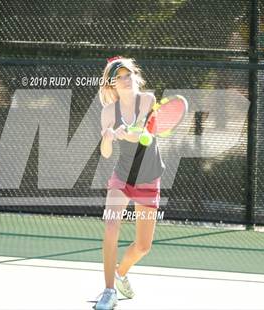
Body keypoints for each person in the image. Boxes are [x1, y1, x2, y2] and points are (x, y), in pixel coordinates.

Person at [95, 56, 165, 309]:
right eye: (119, 78)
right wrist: (109, 135)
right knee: (111, 226)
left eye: (128, 75)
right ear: (111, 85)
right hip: (122, 177)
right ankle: (108, 291)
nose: (125, 81)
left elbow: (141, 135)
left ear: (134, 76)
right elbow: (105, 152)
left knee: (143, 246)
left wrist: (127, 131)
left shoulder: (147, 100)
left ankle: (120, 272)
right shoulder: (107, 112)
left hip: (148, 176)